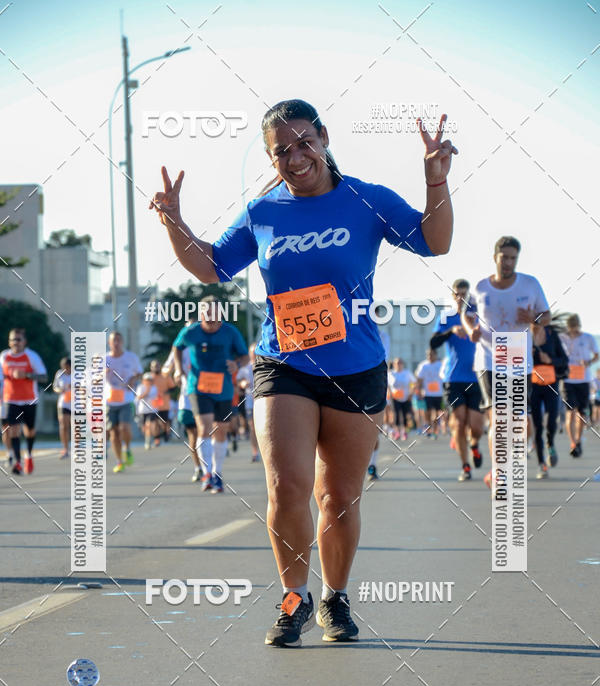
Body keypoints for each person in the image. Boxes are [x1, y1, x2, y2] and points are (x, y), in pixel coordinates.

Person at [151, 97, 456, 645]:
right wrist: (175, 222)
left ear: (324, 138)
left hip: (355, 366)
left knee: (338, 497)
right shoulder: (263, 213)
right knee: (285, 485)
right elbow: (211, 266)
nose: (294, 159)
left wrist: (436, 182)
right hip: (282, 362)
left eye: (303, 144)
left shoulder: (366, 200)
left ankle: (335, 600)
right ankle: (294, 598)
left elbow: (436, 242)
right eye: (281, 152)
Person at [461, 236, 551, 491]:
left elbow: (547, 316)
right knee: (500, 417)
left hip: (519, 358)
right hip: (489, 358)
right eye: (505, 257)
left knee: (517, 422)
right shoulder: (480, 287)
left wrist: (534, 317)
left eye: (513, 258)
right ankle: (500, 473)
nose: (509, 262)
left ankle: (505, 466)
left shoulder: (530, 284)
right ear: (495, 257)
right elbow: (467, 315)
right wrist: (471, 330)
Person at [171, 300, 249, 493]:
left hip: (223, 389)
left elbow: (245, 356)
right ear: (201, 316)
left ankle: (217, 474)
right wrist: (179, 370)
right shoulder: (191, 332)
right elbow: (177, 348)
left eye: (215, 317)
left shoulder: (230, 332)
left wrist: (237, 365)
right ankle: (207, 474)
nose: (212, 321)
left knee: (220, 431)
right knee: (204, 428)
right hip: (198, 387)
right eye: (207, 317)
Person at [431, 279, 483, 481]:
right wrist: (450, 331)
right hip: (453, 379)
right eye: (457, 294)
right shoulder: (447, 318)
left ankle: (474, 445)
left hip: (477, 378)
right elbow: (433, 342)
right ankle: (465, 465)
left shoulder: (477, 317)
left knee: (477, 426)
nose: (461, 298)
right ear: (453, 296)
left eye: (464, 294)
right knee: (459, 422)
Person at [0, 328, 47, 475]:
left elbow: (44, 377)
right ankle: (18, 462)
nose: (16, 342)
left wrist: (26, 375)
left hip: (29, 399)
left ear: (24, 342)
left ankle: (29, 455)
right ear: (9, 341)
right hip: (11, 399)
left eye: (18, 339)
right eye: (13, 339)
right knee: (13, 430)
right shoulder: (4, 357)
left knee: (30, 430)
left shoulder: (31, 356)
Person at [530, 318, 569, 478]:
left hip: (551, 385)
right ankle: (541, 465)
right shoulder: (524, 337)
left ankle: (550, 442)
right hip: (533, 387)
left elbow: (564, 361)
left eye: (539, 323)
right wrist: (527, 357)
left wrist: (550, 360)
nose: (536, 326)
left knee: (552, 420)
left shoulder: (552, 336)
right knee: (538, 426)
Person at [560, 314, 599, 457]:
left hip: (583, 380)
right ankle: (573, 442)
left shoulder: (588, 338)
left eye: (575, 330)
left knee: (581, 414)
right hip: (568, 380)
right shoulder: (562, 337)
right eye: (571, 330)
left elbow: (597, 355)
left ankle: (578, 440)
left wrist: (589, 363)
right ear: (568, 328)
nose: (573, 333)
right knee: (570, 413)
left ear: (579, 326)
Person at [163, 344, 203, 481]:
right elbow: (165, 370)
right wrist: (174, 373)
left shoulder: (205, 343)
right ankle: (198, 468)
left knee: (204, 435)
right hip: (187, 399)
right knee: (193, 435)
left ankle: (209, 467)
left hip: (206, 396)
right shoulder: (178, 349)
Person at [105, 331, 142, 473]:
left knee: (124, 428)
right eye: (114, 340)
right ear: (109, 343)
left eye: (119, 340)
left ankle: (127, 448)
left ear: (122, 342)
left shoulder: (131, 357)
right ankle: (119, 461)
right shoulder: (105, 359)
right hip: (110, 399)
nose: (116, 343)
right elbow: (95, 378)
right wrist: (104, 373)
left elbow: (139, 372)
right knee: (113, 432)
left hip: (126, 398)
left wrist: (132, 380)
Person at [236, 343, 260, 462]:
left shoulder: (267, 366)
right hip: (251, 401)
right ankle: (255, 452)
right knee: (253, 427)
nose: (255, 354)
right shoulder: (245, 368)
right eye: (253, 352)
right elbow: (238, 380)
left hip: (266, 400)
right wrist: (242, 383)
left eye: (256, 352)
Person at [415, 348, 444, 438]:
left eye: (431, 354)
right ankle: (428, 426)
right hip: (427, 393)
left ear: (436, 355)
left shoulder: (440, 365)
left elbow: (445, 378)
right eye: (428, 355)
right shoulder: (423, 365)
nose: (429, 356)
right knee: (427, 412)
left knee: (436, 413)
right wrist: (418, 390)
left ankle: (435, 430)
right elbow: (419, 379)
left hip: (439, 393)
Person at [387, 357, 415, 442]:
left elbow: (413, 383)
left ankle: (404, 432)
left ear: (403, 364)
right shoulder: (391, 373)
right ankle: (397, 432)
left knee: (406, 414)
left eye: (400, 363)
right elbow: (387, 385)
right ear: (394, 364)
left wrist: (411, 393)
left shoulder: (407, 373)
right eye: (397, 363)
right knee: (396, 415)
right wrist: (390, 394)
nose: (398, 365)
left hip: (406, 397)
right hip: (394, 398)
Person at [52, 356, 72, 459]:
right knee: (64, 426)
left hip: (76, 403)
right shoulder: (59, 374)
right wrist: (60, 390)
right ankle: (65, 449)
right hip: (63, 403)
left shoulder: (78, 374)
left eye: (67, 367)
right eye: (63, 367)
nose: (65, 369)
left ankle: (77, 449)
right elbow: (55, 387)